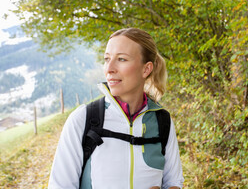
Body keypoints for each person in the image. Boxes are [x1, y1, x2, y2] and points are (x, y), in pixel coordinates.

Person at [48, 28, 184, 189]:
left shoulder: (162, 120)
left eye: (121, 59)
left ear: (146, 69)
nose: (109, 68)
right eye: (106, 59)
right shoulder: (83, 119)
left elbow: (174, 183)